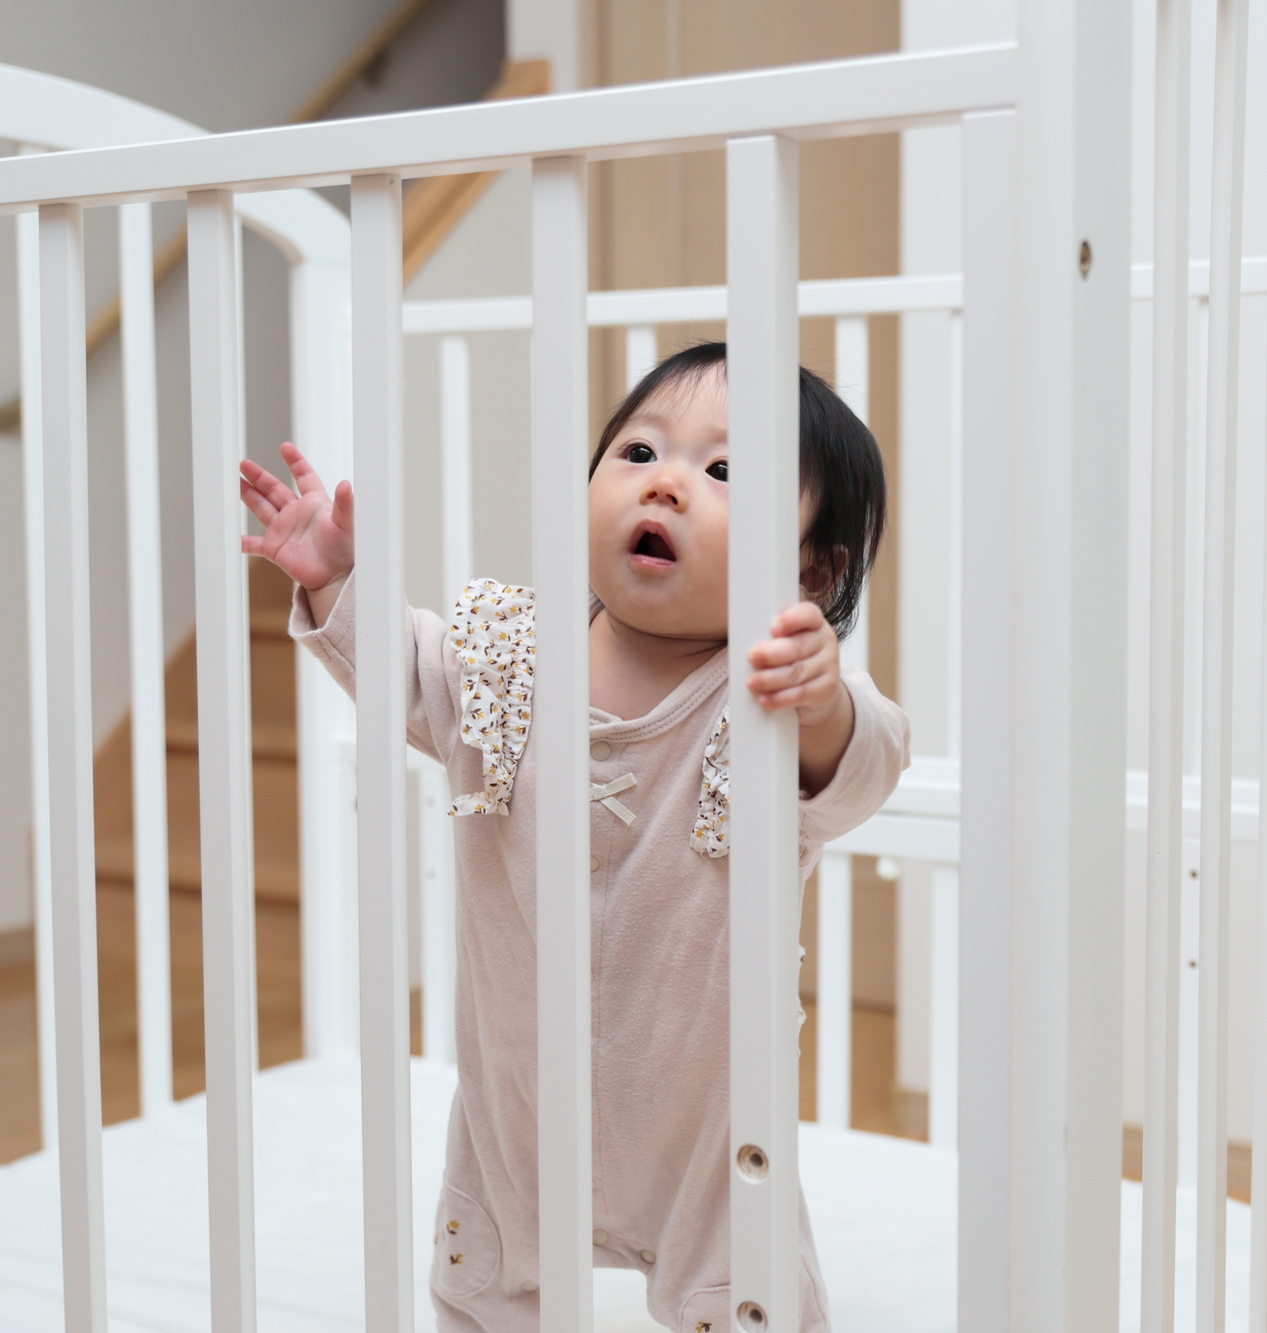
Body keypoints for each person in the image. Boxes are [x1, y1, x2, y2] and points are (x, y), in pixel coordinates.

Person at [237, 342, 910, 1333]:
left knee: (742, 1291)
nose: (669, 484)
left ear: (808, 569)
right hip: (517, 1101)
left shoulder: (763, 706)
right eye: (638, 451)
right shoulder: (511, 655)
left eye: (724, 472)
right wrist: (339, 585)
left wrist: (817, 699)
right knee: (488, 1284)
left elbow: (864, 760)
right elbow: (408, 670)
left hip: (706, 1127)